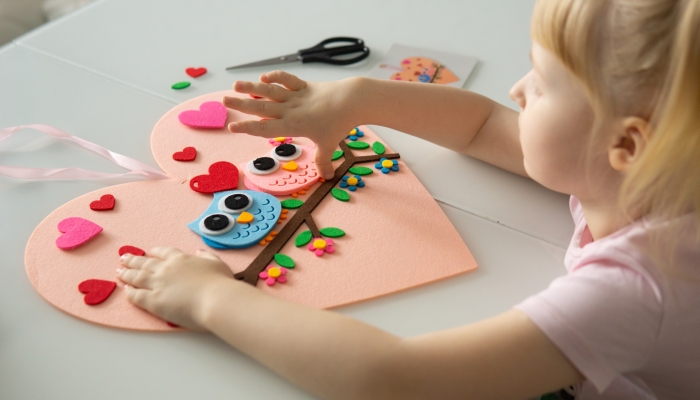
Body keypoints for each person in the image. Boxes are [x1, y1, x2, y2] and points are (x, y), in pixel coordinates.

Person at [116, 0, 700, 398]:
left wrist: (210, 299)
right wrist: (355, 97)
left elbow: (396, 380)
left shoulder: (639, 286)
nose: (518, 90)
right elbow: (481, 127)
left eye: (542, 85)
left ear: (626, 144)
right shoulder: (653, 172)